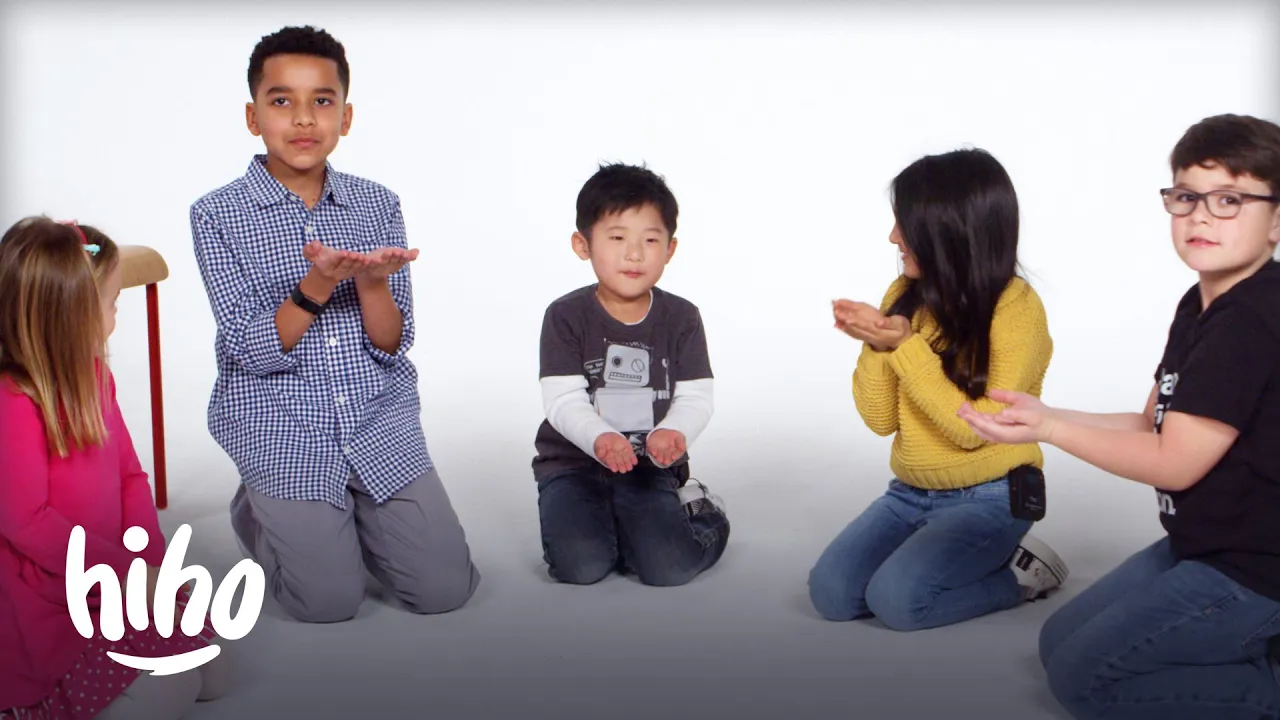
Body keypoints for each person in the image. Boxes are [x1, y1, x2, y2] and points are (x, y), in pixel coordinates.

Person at [960, 113, 1280, 719]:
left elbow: (1174, 463)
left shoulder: (1253, 320)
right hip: (1201, 546)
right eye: (1186, 197)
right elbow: (1151, 425)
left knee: (1085, 680)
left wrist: (1050, 431)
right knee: (1058, 643)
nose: (1201, 216)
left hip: (1255, 572)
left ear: (1277, 221)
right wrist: (1046, 413)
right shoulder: (1201, 304)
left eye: (1229, 200)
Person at [190, 25, 479, 623]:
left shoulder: (377, 203)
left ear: (345, 118)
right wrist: (318, 285)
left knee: (444, 589)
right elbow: (249, 349)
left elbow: (393, 343)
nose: (303, 118)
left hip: (374, 415)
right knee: (328, 602)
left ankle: (347, 519)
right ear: (252, 116)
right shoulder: (216, 214)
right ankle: (262, 507)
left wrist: (371, 284)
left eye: (322, 101)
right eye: (281, 100)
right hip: (280, 423)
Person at [807, 148, 1069, 631]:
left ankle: (1020, 576)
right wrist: (876, 345)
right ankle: (940, 561)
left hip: (992, 496)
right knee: (832, 595)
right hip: (909, 493)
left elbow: (976, 429)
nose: (893, 236)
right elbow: (880, 420)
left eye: (904, 224)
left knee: (898, 602)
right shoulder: (903, 295)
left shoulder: (1017, 309)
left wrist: (904, 346)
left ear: (949, 229)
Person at [0, 218, 229, 719]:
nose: (115, 317)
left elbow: (130, 476)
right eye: (111, 305)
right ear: (69, 318)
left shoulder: (96, 376)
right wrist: (123, 573)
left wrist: (148, 563)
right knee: (172, 692)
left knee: (213, 675)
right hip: (53, 587)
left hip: (112, 573)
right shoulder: (15, 402)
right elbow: (27, 523)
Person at [532, 162, 730, 586]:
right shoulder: (565, 315)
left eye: (650, 240)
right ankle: (616, 528)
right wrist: (600, 438)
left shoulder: (682, 318)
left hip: (648, 464)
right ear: (583, 244)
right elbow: (563, 401)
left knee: (668, 568)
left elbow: (695, 397)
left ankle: (704, 515)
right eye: (618, 238)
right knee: (581, 567)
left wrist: (674, 432)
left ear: (670, 249)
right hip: (574, 463)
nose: (635, 254)